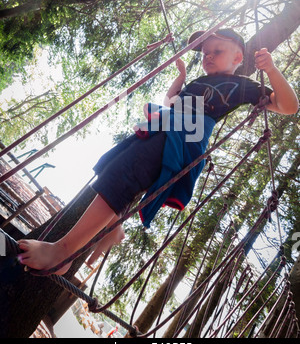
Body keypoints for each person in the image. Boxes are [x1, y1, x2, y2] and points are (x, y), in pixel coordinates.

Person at [18, 29, 299, 274]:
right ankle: (114, 221)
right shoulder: (198, 82)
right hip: (165, 125)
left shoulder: (242, 87)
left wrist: (272, 70)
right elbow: (170, 100)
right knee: (116, 165)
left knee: (129, 170)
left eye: (217, 50)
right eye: (204, 52)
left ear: (238, 58)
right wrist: (181, 76)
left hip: (185, 135)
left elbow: (289, 107)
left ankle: (62, 251)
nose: (208, 56)